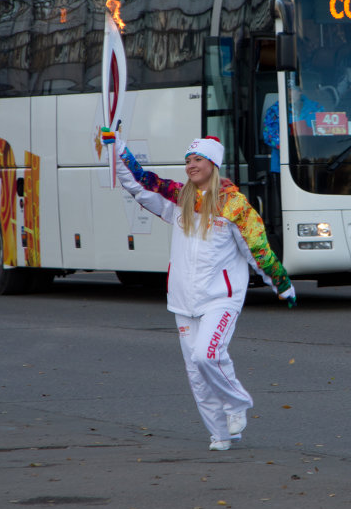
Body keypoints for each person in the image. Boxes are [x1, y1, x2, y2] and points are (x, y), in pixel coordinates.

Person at [101, 129, 296, 452]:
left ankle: (236, 404)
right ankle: (220, 433)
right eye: (188, 160)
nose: (191, 165)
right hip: (183, 300)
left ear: (213, 164)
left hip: (221, 297)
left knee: (207, 355)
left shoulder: (233, 205)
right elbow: (137, 183)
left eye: (198, 159)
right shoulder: (179, 199)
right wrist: (118, 149)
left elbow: (257, 249)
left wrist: (282, 283)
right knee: (196, 373)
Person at [262, 78, 324, 173]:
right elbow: (269, 136)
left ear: (300, 91)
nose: (288, 93)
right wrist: (291, 147)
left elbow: (326, 130)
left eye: (291, 90)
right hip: (283, 165)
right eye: (286, 90)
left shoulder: (317, 108)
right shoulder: (274, 111)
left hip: (314, 161)